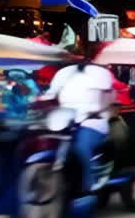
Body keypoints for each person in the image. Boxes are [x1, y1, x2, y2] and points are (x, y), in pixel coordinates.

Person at [45, 57, 116, 195]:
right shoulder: (63, 73)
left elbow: (108, 98)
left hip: (91, 121)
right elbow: (50, 95)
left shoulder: (99, 73)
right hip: (64, 122)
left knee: (81, 147)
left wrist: (97, 111)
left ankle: (91, 183)